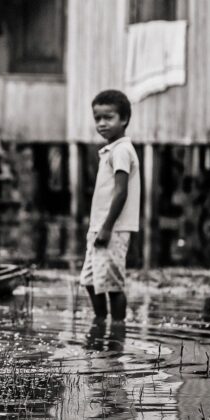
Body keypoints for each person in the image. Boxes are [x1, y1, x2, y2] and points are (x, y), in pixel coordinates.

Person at [80, 89, 140, 322]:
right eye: (97, 118)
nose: (102, 123)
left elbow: (121, 191)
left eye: (108, 117)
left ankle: (116, 329)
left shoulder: (122, 150)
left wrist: (106, 227)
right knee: (90, 280)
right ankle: (100, 321)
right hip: (100, 226)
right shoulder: (111, 151)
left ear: (123, 119)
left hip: (112, 228)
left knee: (113, 285)